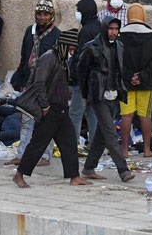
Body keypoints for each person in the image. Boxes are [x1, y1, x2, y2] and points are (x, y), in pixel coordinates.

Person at [13, 28, 91, 188]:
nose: (72, 52)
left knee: (69, 143)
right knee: (37, 144)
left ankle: (74, 176)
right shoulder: (49, 58)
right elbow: (39, 83)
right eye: (71, 48)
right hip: (50, 110)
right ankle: (19, 174)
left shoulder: (61, 60)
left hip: (61, 110)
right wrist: (45, 107)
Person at [77, 17, 135, 182]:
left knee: (102, 134)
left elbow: (121, 70)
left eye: (116, 29)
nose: (114, 32)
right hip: (98, 95)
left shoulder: (119, 46)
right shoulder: (92, 47)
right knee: (110, 133)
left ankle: (88, 168)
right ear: (104, 29)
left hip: (114, 94)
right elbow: (81, 71)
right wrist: (85, 94)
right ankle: (123, 170)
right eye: (111, 29)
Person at [5, 0, 61, 167]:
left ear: (51, 16)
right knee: (27, 119)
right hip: (29, 83)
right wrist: (20, 79)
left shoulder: (57, 35)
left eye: (45, 14)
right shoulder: (30, 31)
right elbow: (24, 57)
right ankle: (22, 155)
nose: (42, 17)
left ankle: (45, 156)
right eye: (40, 14)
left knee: (46, 120)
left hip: (47, 85)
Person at [118, 3, 152, 158]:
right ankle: (147, 149)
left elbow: (118, 60)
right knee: (145, 115)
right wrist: (141, 76)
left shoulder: (120, 34)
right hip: (146, 83)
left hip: (126, 83)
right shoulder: (150, 34)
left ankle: (124, 150)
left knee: (126, 116)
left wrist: (130, 76)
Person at [70, 0, 101, 146]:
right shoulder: (99, 26)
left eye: (79, 11)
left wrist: (76, 78)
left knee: (75, 114)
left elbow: (82, 58)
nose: (77, 13)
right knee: (92, 114)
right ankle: (94, 145)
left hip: (83, 81)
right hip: (96, 80)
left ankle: (72, 144)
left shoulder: (86, 31)